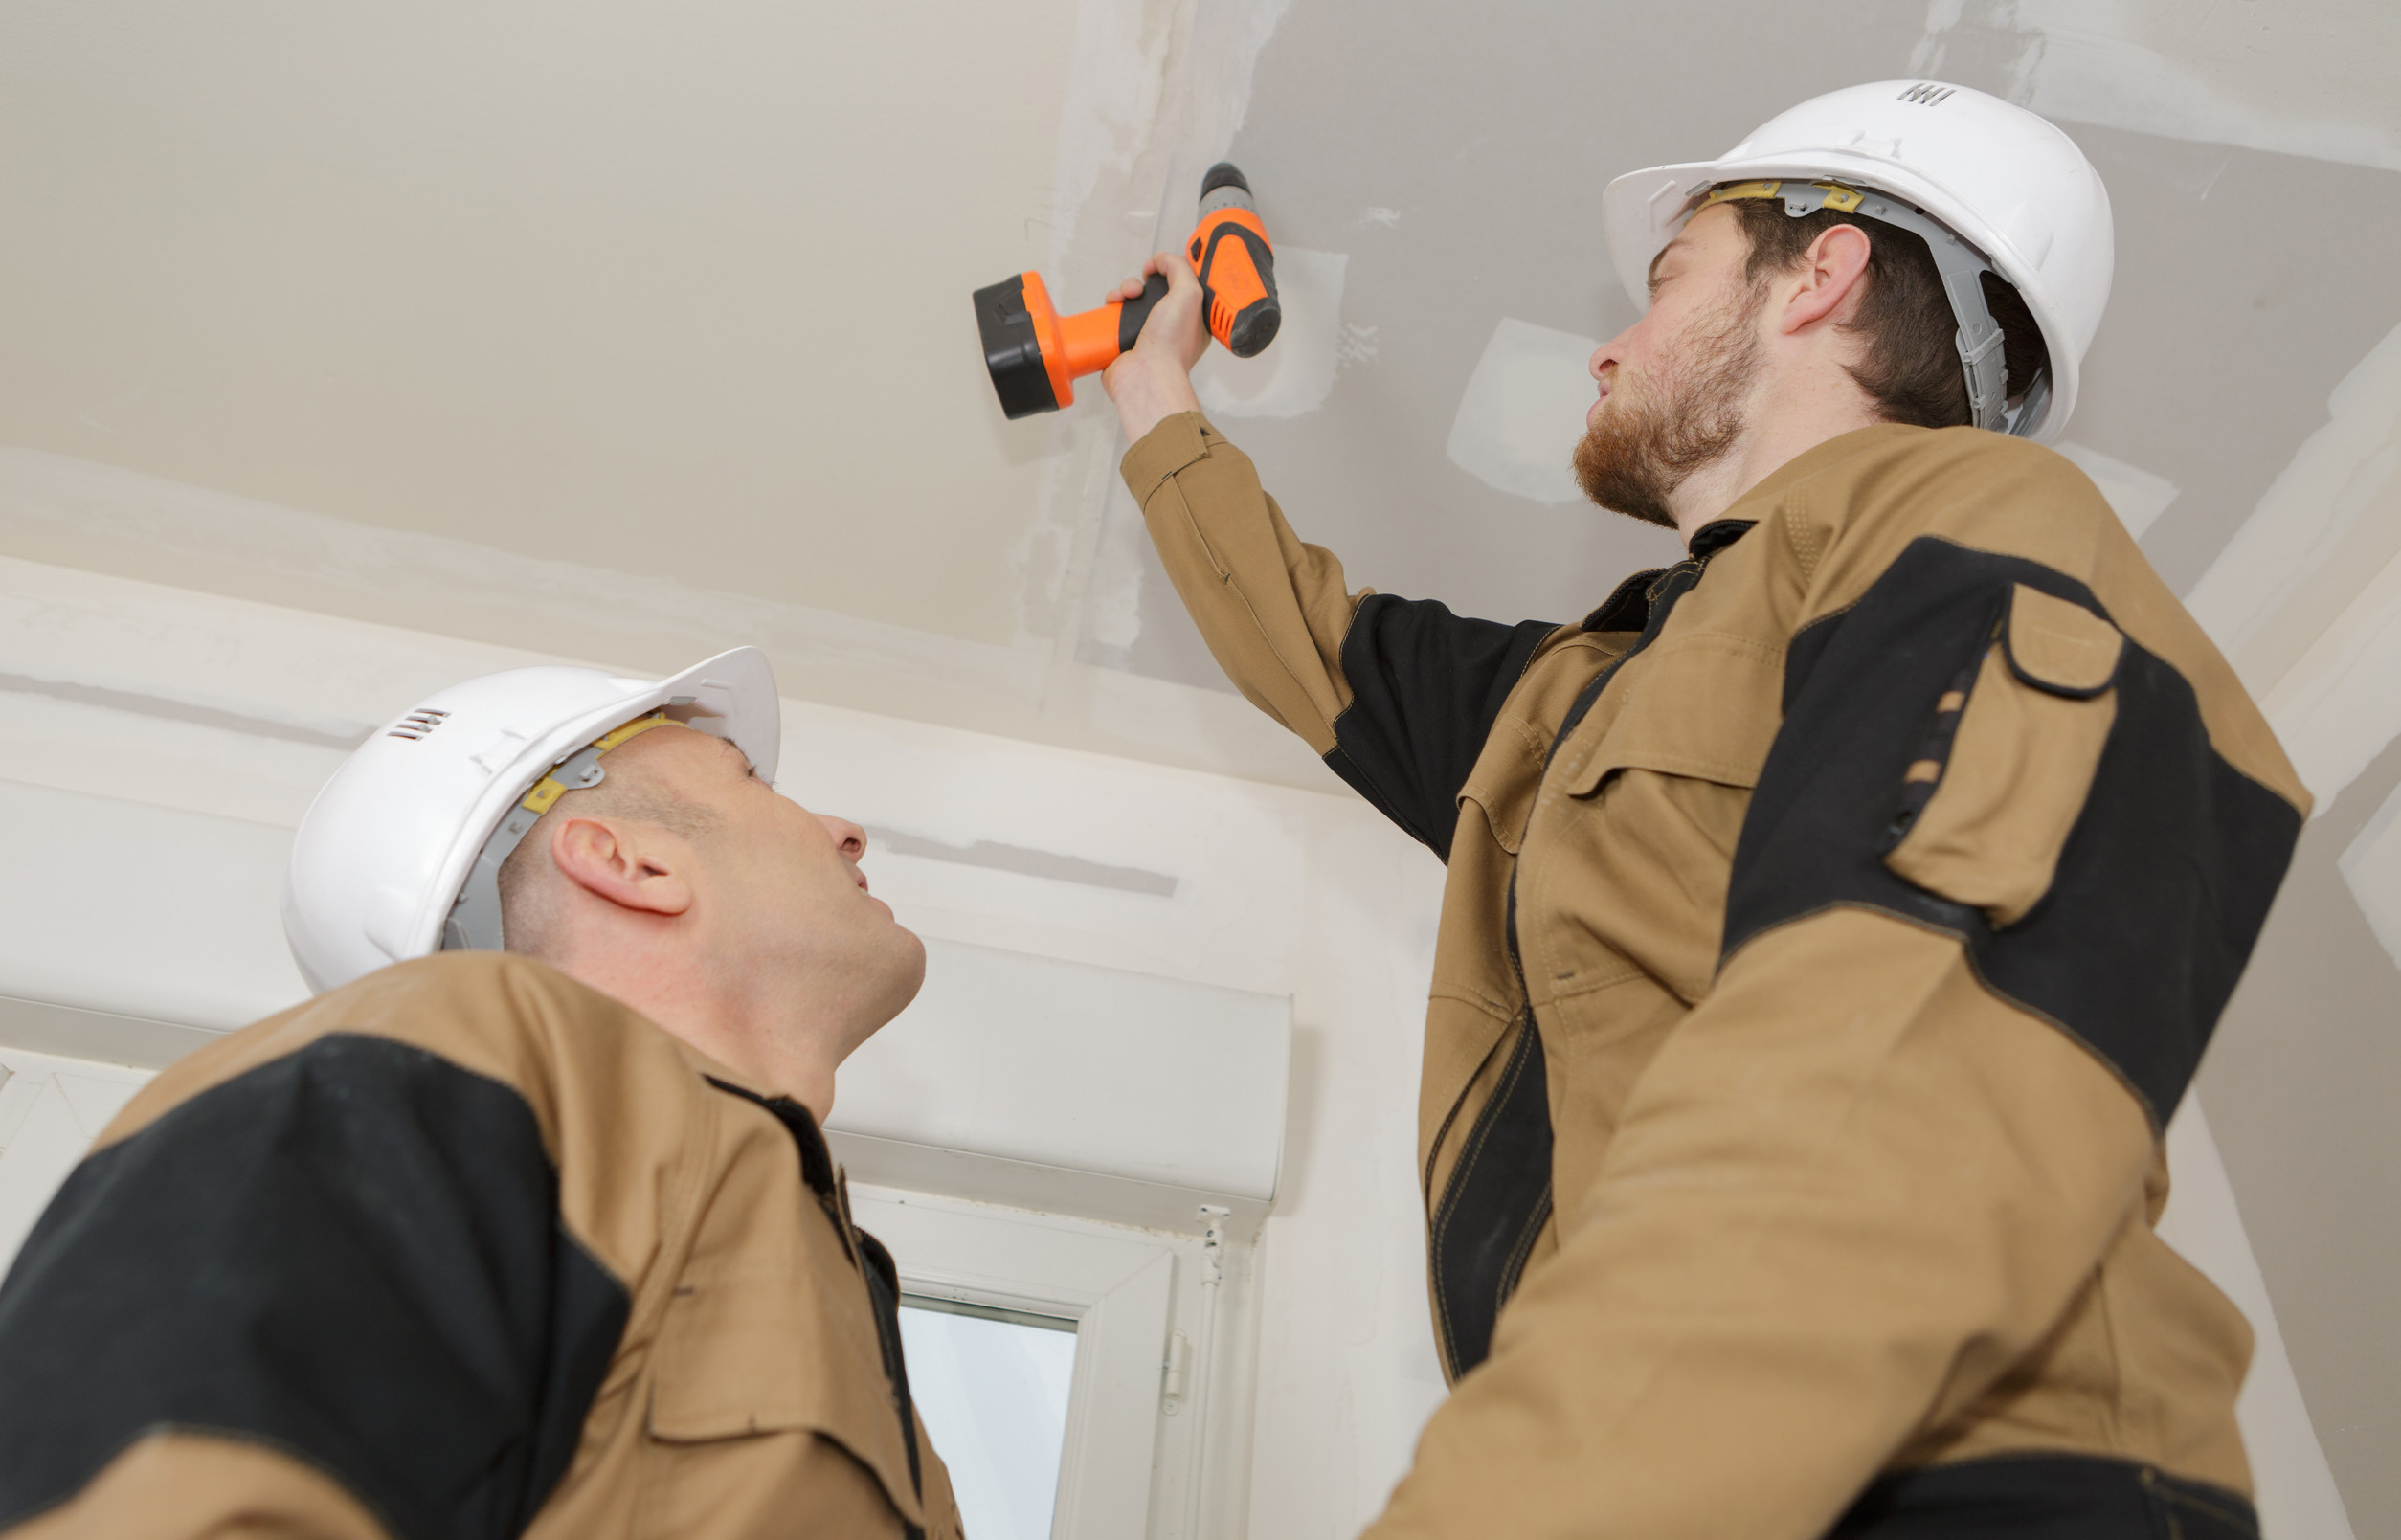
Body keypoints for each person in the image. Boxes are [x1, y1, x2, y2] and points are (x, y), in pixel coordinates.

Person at [1099, 81, 2305, 1539]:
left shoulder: (1985, 524)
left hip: (1961, 1484)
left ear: (1824, 275)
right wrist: (1153, 399)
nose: (1609, 344)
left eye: (1667, 281)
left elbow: (1888, 1079)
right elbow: (1314, 647)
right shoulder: (1578, 701)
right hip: (1699, 1451)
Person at [0, 648, 964, 1540]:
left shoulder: (803, 1246)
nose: (844, 830)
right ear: (630, 863)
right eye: (751, 780)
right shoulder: (458, 1048)